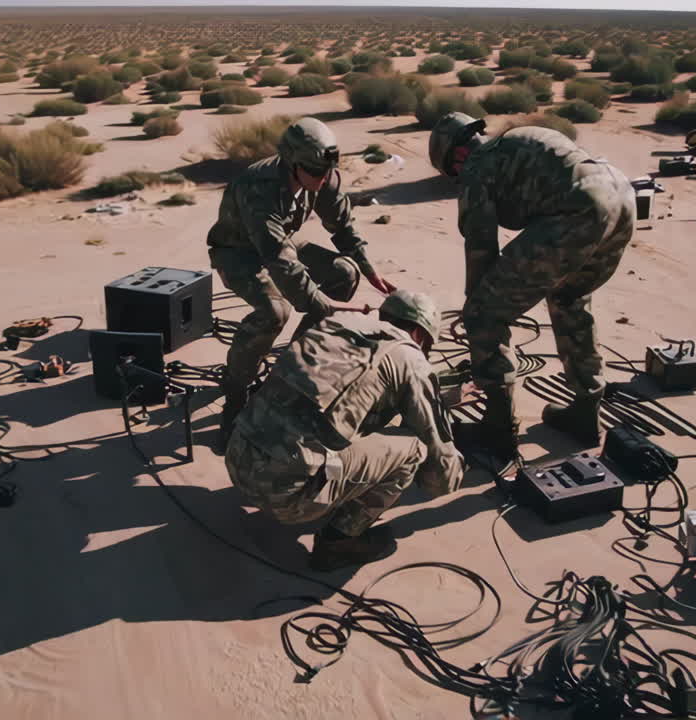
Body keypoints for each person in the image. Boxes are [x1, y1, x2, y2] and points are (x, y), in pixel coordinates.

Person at [428, 113, 636, 468]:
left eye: (453, 173)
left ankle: (498, 431)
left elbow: (480, 244)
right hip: (621, 197)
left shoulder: (476, 166)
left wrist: (476, 309)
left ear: (457, 155)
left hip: (579, 209)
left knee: (485, 313)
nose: (458, 178)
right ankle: (586, 411)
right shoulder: (515, 140)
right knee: (569, 298)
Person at [224, 290, 465, 572]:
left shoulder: (337, 325)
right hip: (285, 500)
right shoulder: (410, 358)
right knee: (413, 448)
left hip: (237, 459)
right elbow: (442, 477)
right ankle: (338, 543)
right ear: (420, 333)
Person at [207, 117, 396, 444]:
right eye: (315, 172)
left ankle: (289, 369)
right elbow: (279, 260)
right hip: (237, 251)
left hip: (280, 242)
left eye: (326, 171)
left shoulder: (323, 175)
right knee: (274, 313)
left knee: (344, 273)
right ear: (292, 163)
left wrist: (370, 270)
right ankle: (235, 398)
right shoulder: (259, 188)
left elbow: (342, 226)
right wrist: (324, 305)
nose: (323, 179)